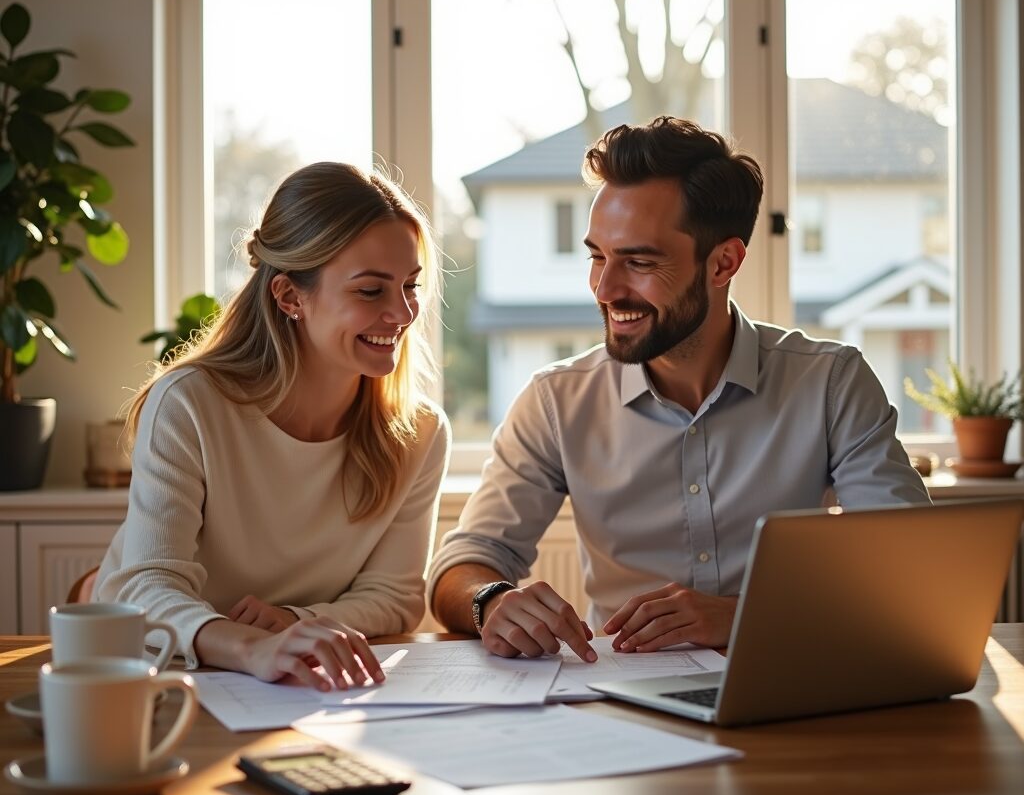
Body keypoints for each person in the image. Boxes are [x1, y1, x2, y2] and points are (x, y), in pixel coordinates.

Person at [428, 117, 929, 662]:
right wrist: (492, 600)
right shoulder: (557, 401)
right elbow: (463, 564)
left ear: (724, 263)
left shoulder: (830, 383)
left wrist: (741, 616)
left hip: (791, 674)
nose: (606, 288)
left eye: (640, 262)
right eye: (597, 256)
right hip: (621, 700)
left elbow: (909, 572)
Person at [96, 162, 450, 690]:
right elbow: (148, 585)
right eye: (371, 291)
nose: (402, 312)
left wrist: (293, 624)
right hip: (157, 664)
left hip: (285, 678)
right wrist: (251, 646)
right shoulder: (189, 405)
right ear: (289, 297)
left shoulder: (418, 431)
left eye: (410, 285)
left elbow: (394, 597)